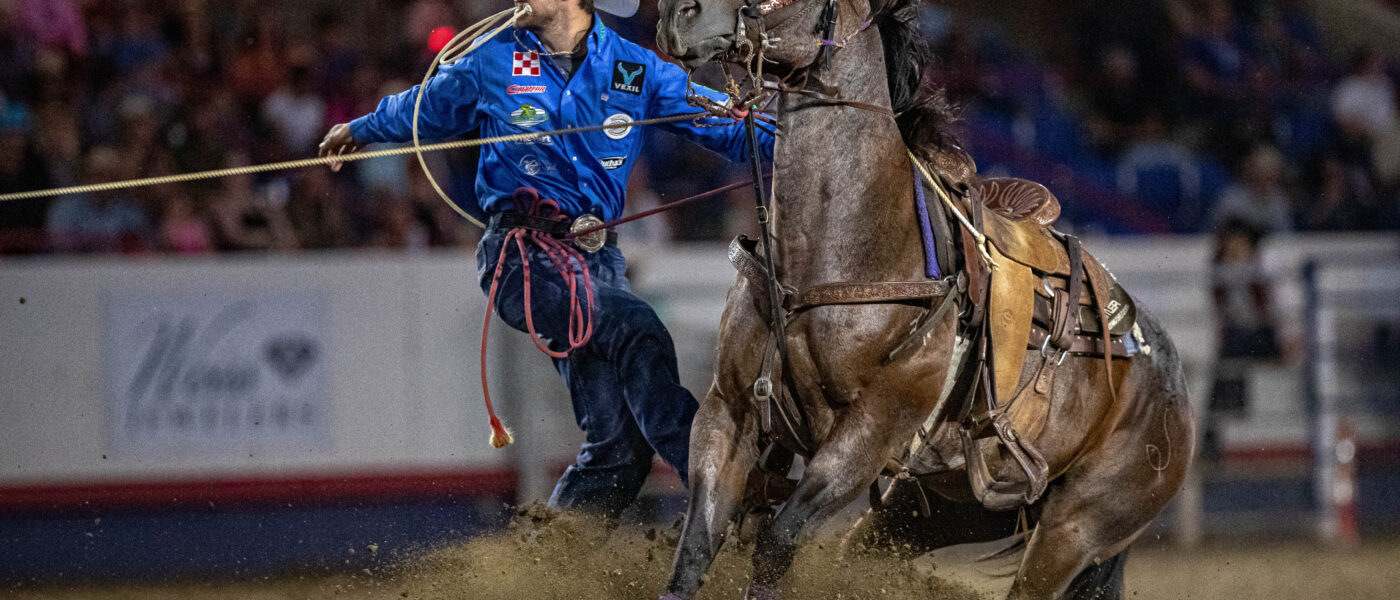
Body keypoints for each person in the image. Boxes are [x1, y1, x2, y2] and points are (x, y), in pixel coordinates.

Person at [318, 0, 773, 521]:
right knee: (639, 329)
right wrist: (361, 128)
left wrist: (809, 137)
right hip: (521, 257)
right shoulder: (492, 59)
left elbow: (734, 128)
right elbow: (425, 108)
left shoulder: (638, 68)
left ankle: (549, 558)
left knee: (620, 445)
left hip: (598, 265)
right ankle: (725, 481)